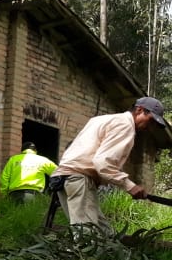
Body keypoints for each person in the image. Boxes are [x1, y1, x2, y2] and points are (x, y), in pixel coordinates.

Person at [49, 96, 166, 231]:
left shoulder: (101, 120)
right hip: (79, 178)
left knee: (105, 234)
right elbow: (103, 163)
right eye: (150, 121)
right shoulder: (125, 125)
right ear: (140, 110)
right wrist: (130, 186)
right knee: (87, 237)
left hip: (66, 177)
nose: (150, 128)